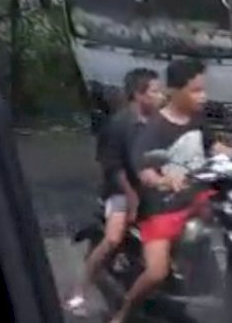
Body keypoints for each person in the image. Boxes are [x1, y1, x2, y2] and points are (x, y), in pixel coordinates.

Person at [108, 58, 232, 323]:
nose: (203, 96)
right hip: (162, 207)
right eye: (196, 90)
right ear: (174, 91)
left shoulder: (196, 120)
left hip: (198, 196)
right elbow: (144, 169)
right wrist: (164, 180)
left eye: (203, 89)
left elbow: (216, 148)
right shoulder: (154, 129)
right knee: (156, 271)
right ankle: (124, 312)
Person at [66, 68, 164, 316]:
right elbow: (113, 168)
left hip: (152, 186)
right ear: (138, 95)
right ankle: (79, 292)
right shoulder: (119, 126)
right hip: (121, 191)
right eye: (154, 91)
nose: (160, 96)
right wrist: (132, 198)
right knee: (112, 239)